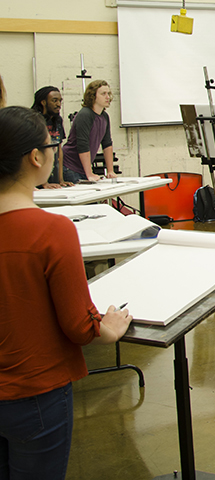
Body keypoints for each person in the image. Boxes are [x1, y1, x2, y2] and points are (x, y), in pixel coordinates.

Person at [0, 106, 132, 479]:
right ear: (35, 157)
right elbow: (78, 324)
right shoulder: (51, 231)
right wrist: (108, 329)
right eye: (51, 145)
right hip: (36, 392)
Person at [60, 80, 117, 182]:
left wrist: (110, 170)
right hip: (71, 166)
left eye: (108, 93)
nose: (107, 97)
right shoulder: (85, 114)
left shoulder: (104, 116)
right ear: (93, 96)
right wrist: (89, 173)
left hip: (83, 167)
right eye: (103, 94)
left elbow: (107, 143)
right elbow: (83, 145)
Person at [31, 86, 69, 188]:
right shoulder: (34, 120)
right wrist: (43, 183)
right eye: (54, 100)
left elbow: (59, 150)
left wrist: (61, 180)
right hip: (36, 180)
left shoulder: (58, 120)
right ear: (43, 102)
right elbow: (34, 152)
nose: (58, 104)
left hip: (52, 174)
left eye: (60, 101)